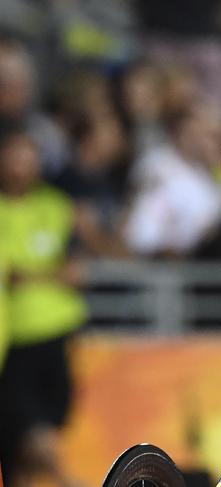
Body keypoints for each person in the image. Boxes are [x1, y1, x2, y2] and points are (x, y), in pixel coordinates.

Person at [0, 123, 87, 487]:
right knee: (23, 432)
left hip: (59, 333)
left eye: (29, 154)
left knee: (41, 429)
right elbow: (10, 274)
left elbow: (74, 270)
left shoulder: (55, 205)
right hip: (14, 341)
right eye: (15, 154)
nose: (24, 163)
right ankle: (67, 481)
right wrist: (49, 275)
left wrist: (33, 276)